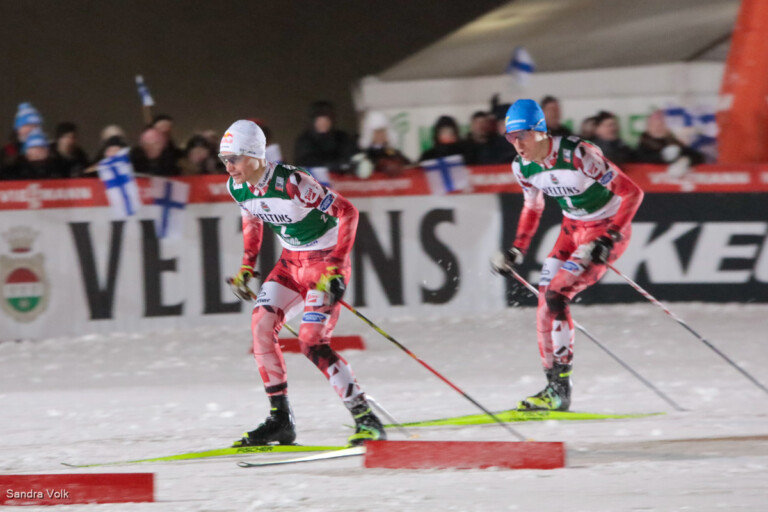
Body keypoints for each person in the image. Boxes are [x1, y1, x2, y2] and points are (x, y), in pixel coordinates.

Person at [220, 119, 385, 447]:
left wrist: (335, 268)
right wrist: (247, 266)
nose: (229, 167)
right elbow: (252, 219)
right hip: (290, 264)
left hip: (323, 263)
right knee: (261, 326)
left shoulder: (293, 183)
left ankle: (367, 418)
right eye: (224, 159)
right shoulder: (237, 187)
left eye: (234, 158)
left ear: (255, 155)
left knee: (312, 342)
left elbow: (348, 212)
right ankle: (280, 420)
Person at [491, 99, 643, 411]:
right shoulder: (522, 167)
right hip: (572, 231)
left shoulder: (578, 153)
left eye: (522, 135)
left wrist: (610, 237)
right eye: (511, 137)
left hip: (605, 229)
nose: (517, 144)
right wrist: (517, 249)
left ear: (540, 132)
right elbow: (533, 207)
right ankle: (554, 388)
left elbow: (632, 192)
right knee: (545, 305)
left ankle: (561, 390)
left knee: (557, 294)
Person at [294, 101, 358, 174]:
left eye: (326, 120)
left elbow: (350, 158)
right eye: (319, 120)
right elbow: (305, 162)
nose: (323, 124)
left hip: (340, 177)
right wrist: (329, 165)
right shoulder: (304, 141)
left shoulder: (342, 138)